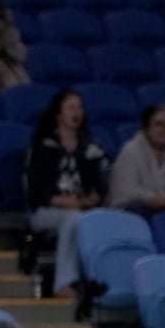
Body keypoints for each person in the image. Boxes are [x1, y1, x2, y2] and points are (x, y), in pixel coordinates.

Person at [25, 88, 106, 313]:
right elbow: (35, 194)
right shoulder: (43, 147)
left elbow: (100, 188)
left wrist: (93, 198)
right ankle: (63, 282)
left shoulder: (91, 148)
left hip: (83, 209)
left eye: (80, 107)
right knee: (74, 219)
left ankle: (101, 285)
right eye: (71, 107)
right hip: (45, 212)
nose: (77, 112)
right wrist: (65, 202)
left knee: (96, 220)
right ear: (59, 114)